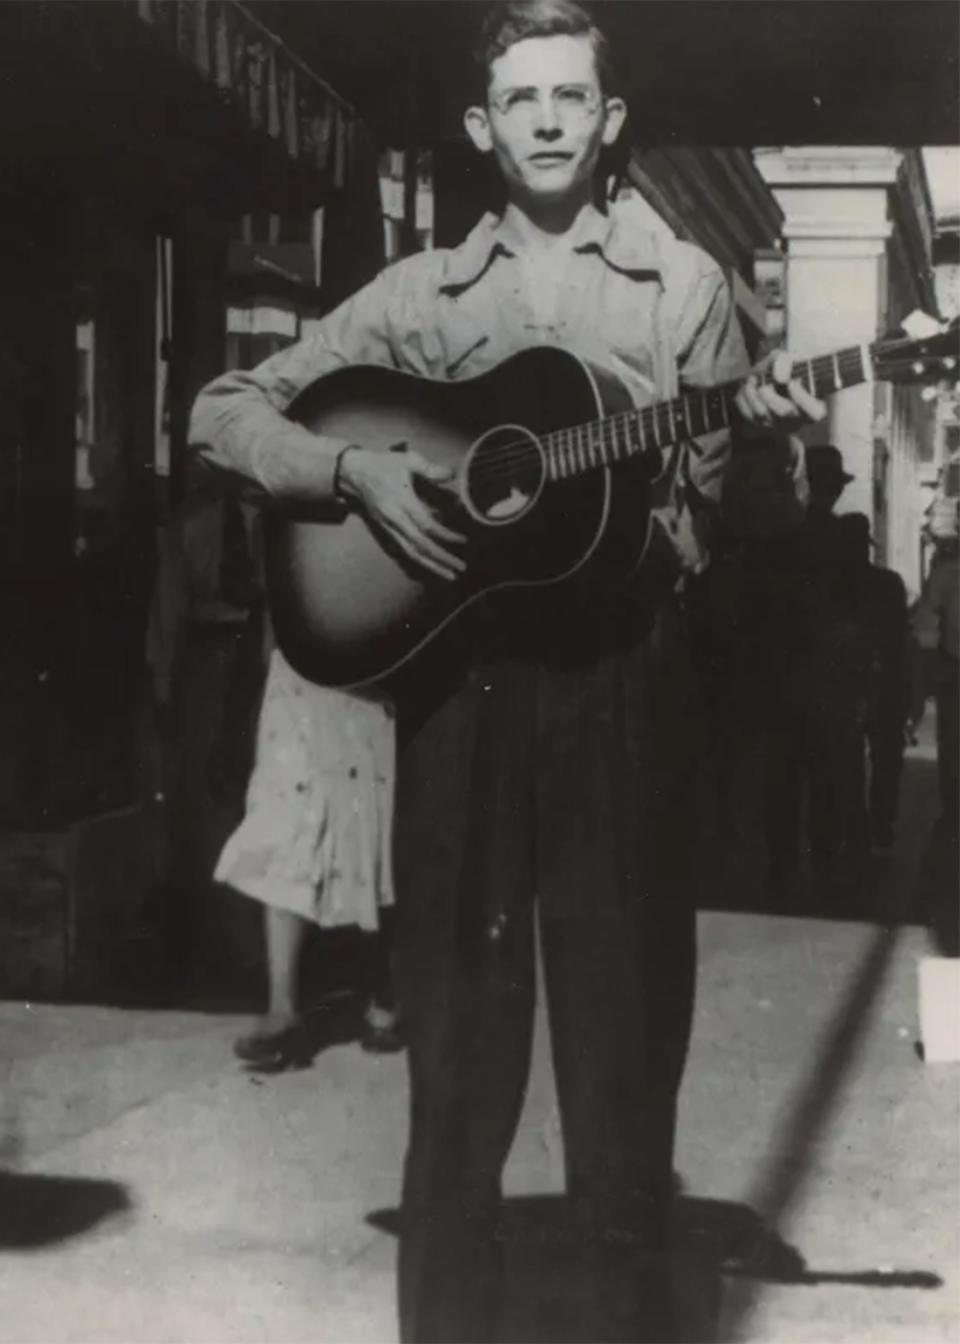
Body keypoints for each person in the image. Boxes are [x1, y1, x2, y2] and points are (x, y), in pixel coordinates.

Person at [188, 4, 823, 1338]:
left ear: (610, 123)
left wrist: (747, 443)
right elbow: (222, 412)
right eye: (521, 99)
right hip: (459, 697)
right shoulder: (423, 298)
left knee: (622, 1072)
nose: (546, 120)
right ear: (483, 128)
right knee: (457, 1082)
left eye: (571, 98)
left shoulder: (683, 289)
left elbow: (710, 538)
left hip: (622, 687)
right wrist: (353, 468)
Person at [220, 648, 404, 1067]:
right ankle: (282, 1007)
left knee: (373, 819)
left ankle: (386, 988)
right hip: (301, 666)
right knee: (287, 816)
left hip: (373, 661)